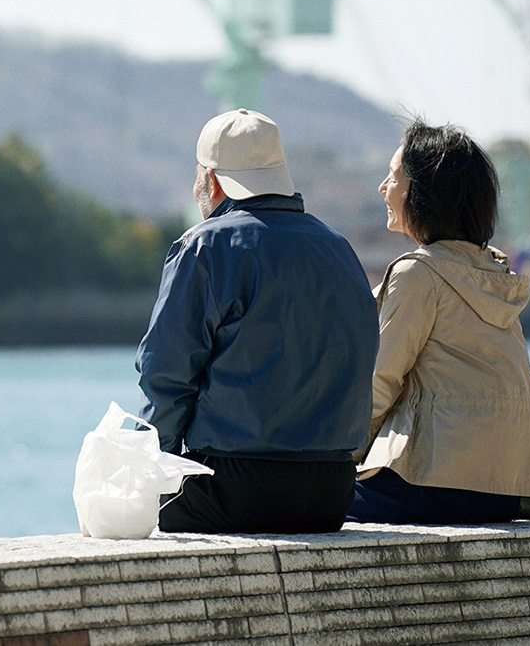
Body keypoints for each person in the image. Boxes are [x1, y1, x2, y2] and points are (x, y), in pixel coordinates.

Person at [136, 108, 378, 534]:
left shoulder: (204, 248)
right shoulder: (339, 249)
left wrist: (154, 473)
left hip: (231, 490)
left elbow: (166, 372)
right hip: (331, 495)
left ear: (210, 180)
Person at [348, 120, 530, 524]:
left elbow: (378, 384)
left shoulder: (418, 274)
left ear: (423, 193)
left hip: (434, 481)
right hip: (506, 489)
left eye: (392, 177)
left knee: (302, 503)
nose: (383, 188)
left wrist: (339, 455)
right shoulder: (493, 271)